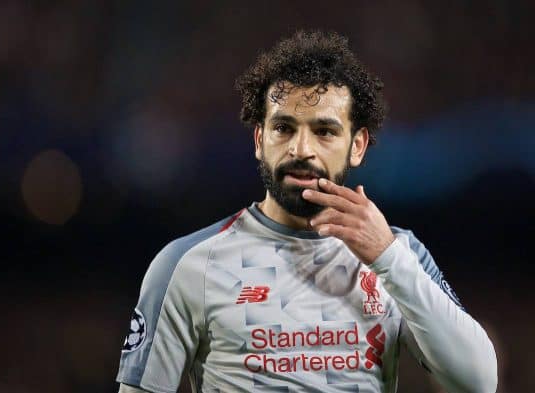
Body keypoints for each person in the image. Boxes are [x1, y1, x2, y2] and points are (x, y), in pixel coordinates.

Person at [116, 30, 497, 393]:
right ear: (259, 140)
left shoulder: (399, 255)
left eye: (325, 131)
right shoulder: (188, 264)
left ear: (358, 146)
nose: (301, 149)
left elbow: (479, 382)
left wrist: (387, 257)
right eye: (283, 128)